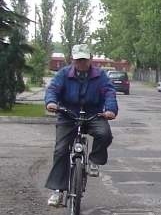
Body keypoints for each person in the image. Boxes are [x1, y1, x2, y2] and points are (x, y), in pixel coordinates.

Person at [45, 44, 118, 206]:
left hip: (93, 114)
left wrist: (110, 110)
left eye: (84, 59)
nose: (81, 63)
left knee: (104, 134)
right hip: (68, 114)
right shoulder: (63, 74)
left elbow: (109, 92)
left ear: (90, 59)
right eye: (78, 60)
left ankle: (94, 160)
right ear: (73, 60)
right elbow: (53, 90)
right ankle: (57, 191)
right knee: (61, 149)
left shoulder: (100, 75)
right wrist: (51, 102)